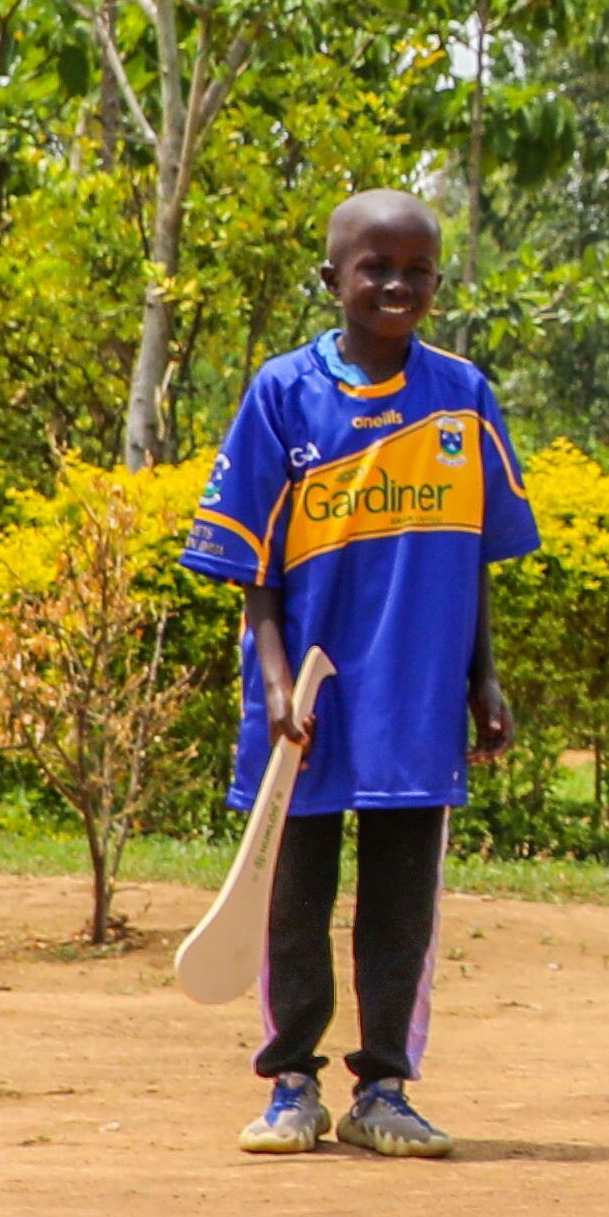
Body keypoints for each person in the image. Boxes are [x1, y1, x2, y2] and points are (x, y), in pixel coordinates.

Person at [180, 188, 541, 1160]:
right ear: (331, 278)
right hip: (307, 702)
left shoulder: (462, 396)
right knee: (290, 893)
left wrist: (484, 679)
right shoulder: (280, 394)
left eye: (416, 268)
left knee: (401, 900)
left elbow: (471, 557)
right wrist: (273, 678)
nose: (396, 283)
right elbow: (251, 565)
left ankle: (384, 1084)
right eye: (375, 266)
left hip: (416, 698)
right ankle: (289, 1081)